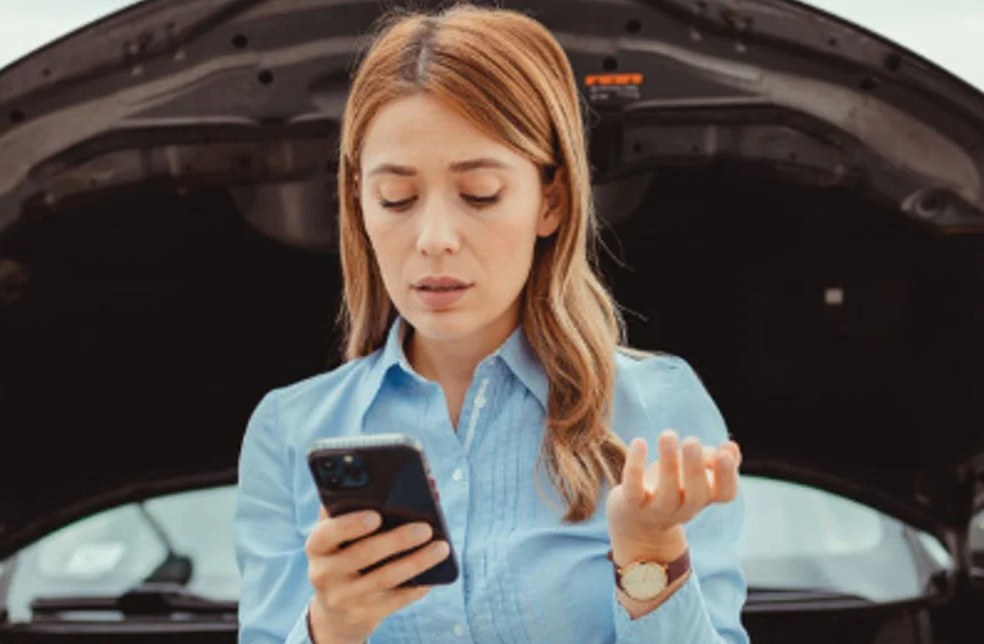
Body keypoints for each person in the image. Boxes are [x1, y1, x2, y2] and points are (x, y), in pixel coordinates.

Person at [233, 3, 748, 643]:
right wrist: (331, 628)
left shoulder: (659, 408)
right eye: (396, 198)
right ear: (358, 202)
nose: (435, 238)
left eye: (479, 193)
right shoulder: (288, 430)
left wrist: (649, 549)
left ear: (550, 201)